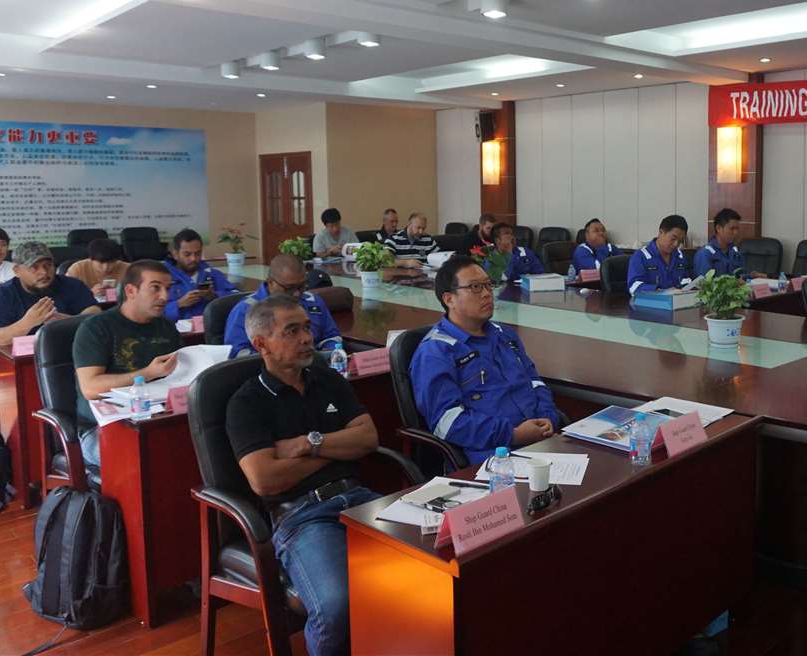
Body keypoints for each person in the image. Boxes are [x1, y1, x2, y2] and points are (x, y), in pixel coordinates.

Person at [226, 294, 380, 656]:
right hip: (303, 515)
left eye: (307, 328)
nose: (308, 338)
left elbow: (368, 438)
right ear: (261, 344)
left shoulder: (327, 378)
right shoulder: (246, 403)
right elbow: (264, 480)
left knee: (430, 566)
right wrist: (334, 449)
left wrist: (307, 444)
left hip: (360, 499)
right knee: (336, 606)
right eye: (292, 331)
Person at [409, 255, 560, 463]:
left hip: (542, 441)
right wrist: (513, 435)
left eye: (489, 285)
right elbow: (448, 422)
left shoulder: (505, 335)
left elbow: (535, 382)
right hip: (493, 458)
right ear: (449, 299)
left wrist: (548, 417)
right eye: (475, 287)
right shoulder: (435, 352)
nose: (487, 294)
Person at [72, 260, 182, 469]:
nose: (165, 297)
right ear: (131, 291)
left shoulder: (167, 327)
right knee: (150, 457)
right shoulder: (96, 328)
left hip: (156, 419)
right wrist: (147, 373)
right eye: (155, 288)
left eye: (168, 289)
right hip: (102, 428)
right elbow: (90, 388)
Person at [0, 242, 100, 350]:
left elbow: (95, 313)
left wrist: (69, 322)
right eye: (34, 267)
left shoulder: (72, 285)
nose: (44, 272)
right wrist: (27, 323)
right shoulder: (2, 296)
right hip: (24, 359)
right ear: (17, 271)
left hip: (69, 350)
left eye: (48, 265)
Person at [224, 254, 344, 358]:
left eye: (302, 286)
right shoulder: (245, 310)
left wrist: (325, 355)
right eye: (289, 288)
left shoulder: (313, 301)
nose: (297, 293)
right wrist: (277, 361)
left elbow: (332, 337)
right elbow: (237, 354)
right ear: (270, 282)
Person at [163, 228, 237, 322]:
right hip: (177, 329)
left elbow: (236, 297)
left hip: (209, 327)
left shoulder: (211, 273)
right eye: (187, 254)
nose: (193, 258)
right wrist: (179, 304)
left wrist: (214, 296)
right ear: (175, 254)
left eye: (197, 253)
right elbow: (151, 311)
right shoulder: (163, 276)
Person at [692, 208, 766, 279]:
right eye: (732, 229)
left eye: (737, 229)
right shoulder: (705, 254)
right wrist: (734, 283)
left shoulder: (735, 252)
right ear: (718, 228)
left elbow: (740, 276)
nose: (736, 233)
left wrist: (753, 276)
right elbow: (705, 283)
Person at [627, 215, 691, 294]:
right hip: (650, 301)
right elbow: (634, 287)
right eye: (673, 239)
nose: (676, 244)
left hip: (677, 300)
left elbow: (685, 280)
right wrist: (662, 292)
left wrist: (690, 288)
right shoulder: (640, 257)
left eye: (680, 241)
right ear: (661, 232)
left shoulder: (680, 256)